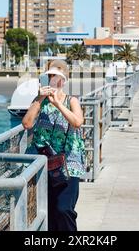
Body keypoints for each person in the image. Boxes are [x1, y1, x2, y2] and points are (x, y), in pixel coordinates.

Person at [22, 60, 85, 231]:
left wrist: (57, 103)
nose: (53, 81)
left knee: (64, 209)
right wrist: (40, 98)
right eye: (50, 76)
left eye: (57, 77)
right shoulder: (40, 101)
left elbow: (78, 121)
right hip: (45, 164)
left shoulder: (72, 101)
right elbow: (27, 124)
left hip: (69, 164)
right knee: (48, 212)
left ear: (64, 80)